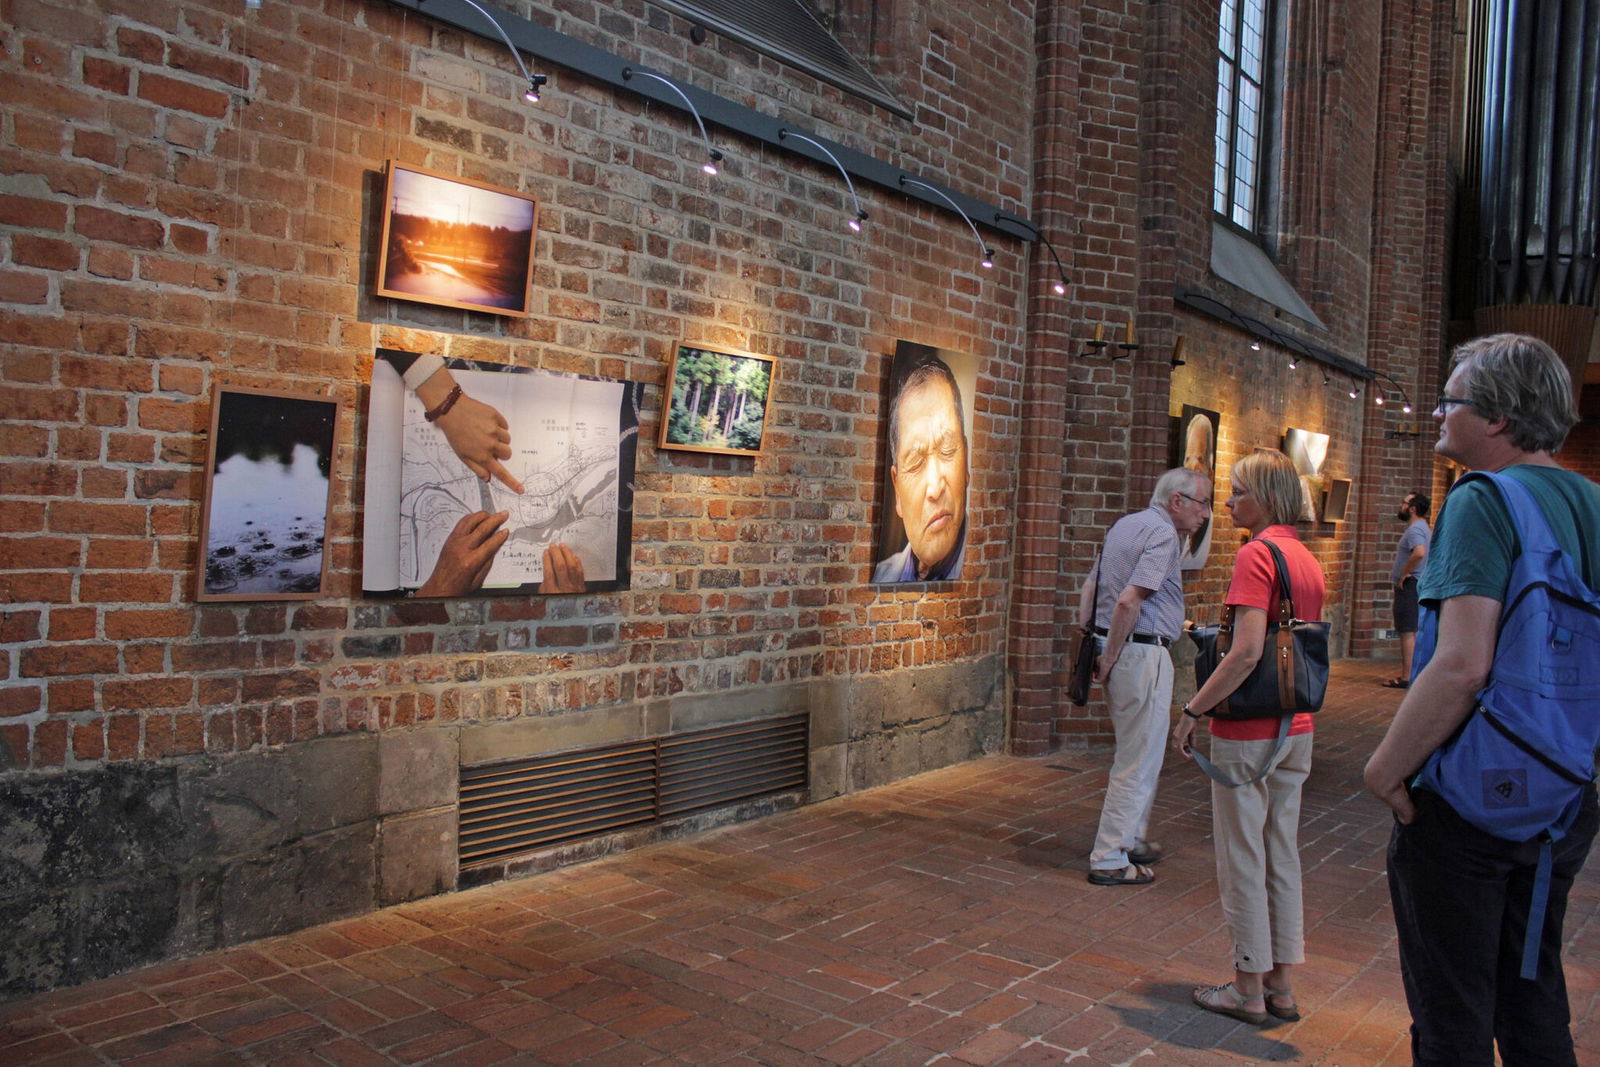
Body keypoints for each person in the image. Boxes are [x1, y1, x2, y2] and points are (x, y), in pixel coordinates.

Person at [1363, 333, 1600, 1065]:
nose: (1437, 412)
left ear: (1496, 418)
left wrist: (1385, 767)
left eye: (1451, 400)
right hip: (1566, 785)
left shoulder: (1482, 499)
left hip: (1472, 790)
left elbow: (1462, 665)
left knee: (1451, 1010)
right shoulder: (1593, 501)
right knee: (1532, 994)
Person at [1171, 448, 1325, 1025]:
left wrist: (1193, 710)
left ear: (1266, 497)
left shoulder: (1256, 555)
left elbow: (1246, 651)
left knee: (1242, 854)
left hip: (1250, 728)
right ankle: (1281, 984)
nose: (1229, 502)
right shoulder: (1305, 558)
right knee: (1280, 852)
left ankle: (1245, 986)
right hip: (1296, 726)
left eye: (1238, 491)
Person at [1080, 467, 1211, 886]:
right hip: (1139, 653)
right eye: (1201, 503)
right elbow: (1128, 600)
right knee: (1136, 761)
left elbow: (1090, 587)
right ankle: (1109, 858)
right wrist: (1113, 655)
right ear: (1177, 501)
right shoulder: (1162, 535)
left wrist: (1092, 641)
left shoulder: (1126, 525)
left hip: (1118, 648)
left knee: (1142, 753)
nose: (1206, 514)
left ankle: (1131, 836)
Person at [873, 355, 969, 582]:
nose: (935, 488)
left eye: (947, 450)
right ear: (897, 492)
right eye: (916, 463)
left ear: (966, 461)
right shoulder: (880, 577)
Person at [1384, 490, 1431, 688]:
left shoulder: (1415, 529)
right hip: (1415, 583)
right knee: (1411, 629)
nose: (1400, 506)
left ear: (1412, 508)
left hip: (1410, 584)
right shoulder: (1422, 527)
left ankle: (1406, 676)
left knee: (1407, 630)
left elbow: (1419, 553)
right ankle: (1409, 673)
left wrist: (1404, 572)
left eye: (1404, 503)